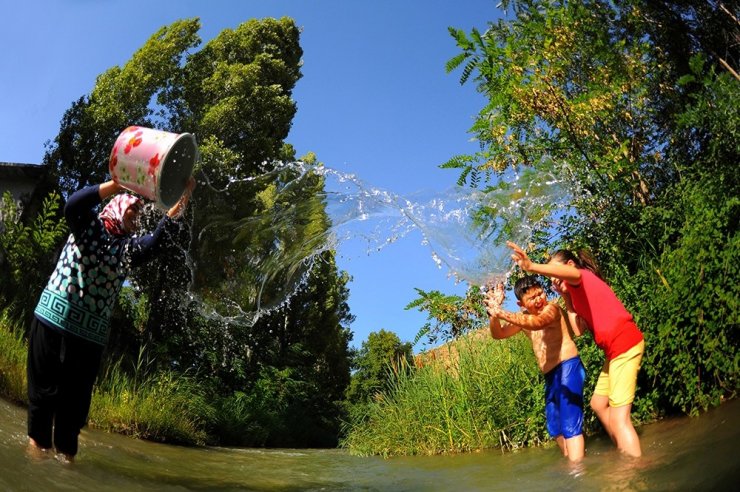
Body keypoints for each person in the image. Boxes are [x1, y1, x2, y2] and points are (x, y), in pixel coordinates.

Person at [27, 177, 195, 462]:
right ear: (118, 206)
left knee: (72, 418)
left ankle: (63, 473)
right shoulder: (88, 226)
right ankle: (35, 465)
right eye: (134, 209)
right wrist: (118, 184)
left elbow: (159, 239)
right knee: (42, 404)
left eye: (141, 213)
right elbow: (73, 205)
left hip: (88, 340)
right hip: (51, 323)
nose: (138, 216)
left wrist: (185, 195)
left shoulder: (126, 251)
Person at [506, 241, 644, 458]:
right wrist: (565, 295)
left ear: (570, 266)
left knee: (619, 419)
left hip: (625, 344)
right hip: (614, 352)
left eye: (558, 277)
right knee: (598, 404)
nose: (555, 283)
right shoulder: (575, 294)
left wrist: (531, 266)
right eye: (552, 282)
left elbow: (568, 275)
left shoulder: (582, 277)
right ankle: (622, 448)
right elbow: (579, 330)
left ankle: (632, 467)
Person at [484, 276, 586, 462]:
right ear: (520, 302)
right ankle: (574, 465)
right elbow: (498, 334)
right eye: (532, 298)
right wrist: (493, 314)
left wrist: (501, 312)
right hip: (550, 377)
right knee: (555, 428)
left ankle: (578, 471)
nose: (538, 299)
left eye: (540, 293)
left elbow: (539, 322)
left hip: (568, 367)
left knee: (571, 425)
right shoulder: (523, 318)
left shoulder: (551, 309)